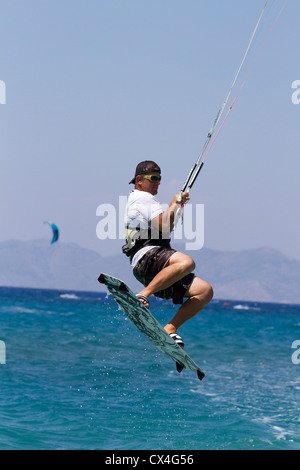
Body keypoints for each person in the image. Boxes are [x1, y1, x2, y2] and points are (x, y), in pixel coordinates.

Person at [123, 160, 213, 348]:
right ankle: (142, 296)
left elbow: (165, 229)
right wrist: (174, 205)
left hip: (153, 268)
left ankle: (170, 329)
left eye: (159, 178)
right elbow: (164, 226)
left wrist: (176, 205)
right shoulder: (143, 198)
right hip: (147, 258)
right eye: (153, 178)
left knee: (204, 291)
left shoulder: (141, 199)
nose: (157, 182)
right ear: (139, 180)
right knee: (187, 262)